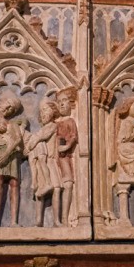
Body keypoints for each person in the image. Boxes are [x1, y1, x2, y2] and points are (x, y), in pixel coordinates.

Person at [24, 101, 63, 227]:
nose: (43, 114)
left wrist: (30, 145)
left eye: (46, 110)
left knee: (56, 188)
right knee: (40, 191)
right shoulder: (42, 128)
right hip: (42, 161)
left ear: (53, 111)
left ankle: (56, 220)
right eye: (41, 112)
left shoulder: (52, 126)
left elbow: (41, 136)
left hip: (51, 161)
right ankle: (39, 220)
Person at [0, 94, 24, 227]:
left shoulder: (12, 124)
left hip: (12, 156)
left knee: (14, 184)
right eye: (6, 105)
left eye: (11, 109)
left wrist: (7, 153)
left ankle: (14, 221)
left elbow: (18, 139)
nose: (7, 109)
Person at [54, 91, 77, 226]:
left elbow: (73, 137)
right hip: (53, 157)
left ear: (70, 104)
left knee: (68, 184)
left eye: (64, 101)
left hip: (64, 157)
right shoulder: (54, 123)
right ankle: (57, 219)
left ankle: (64, 218)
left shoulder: (70, 121)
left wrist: (66, 146)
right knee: (56, 186)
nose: (62, 104)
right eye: (59, 102)